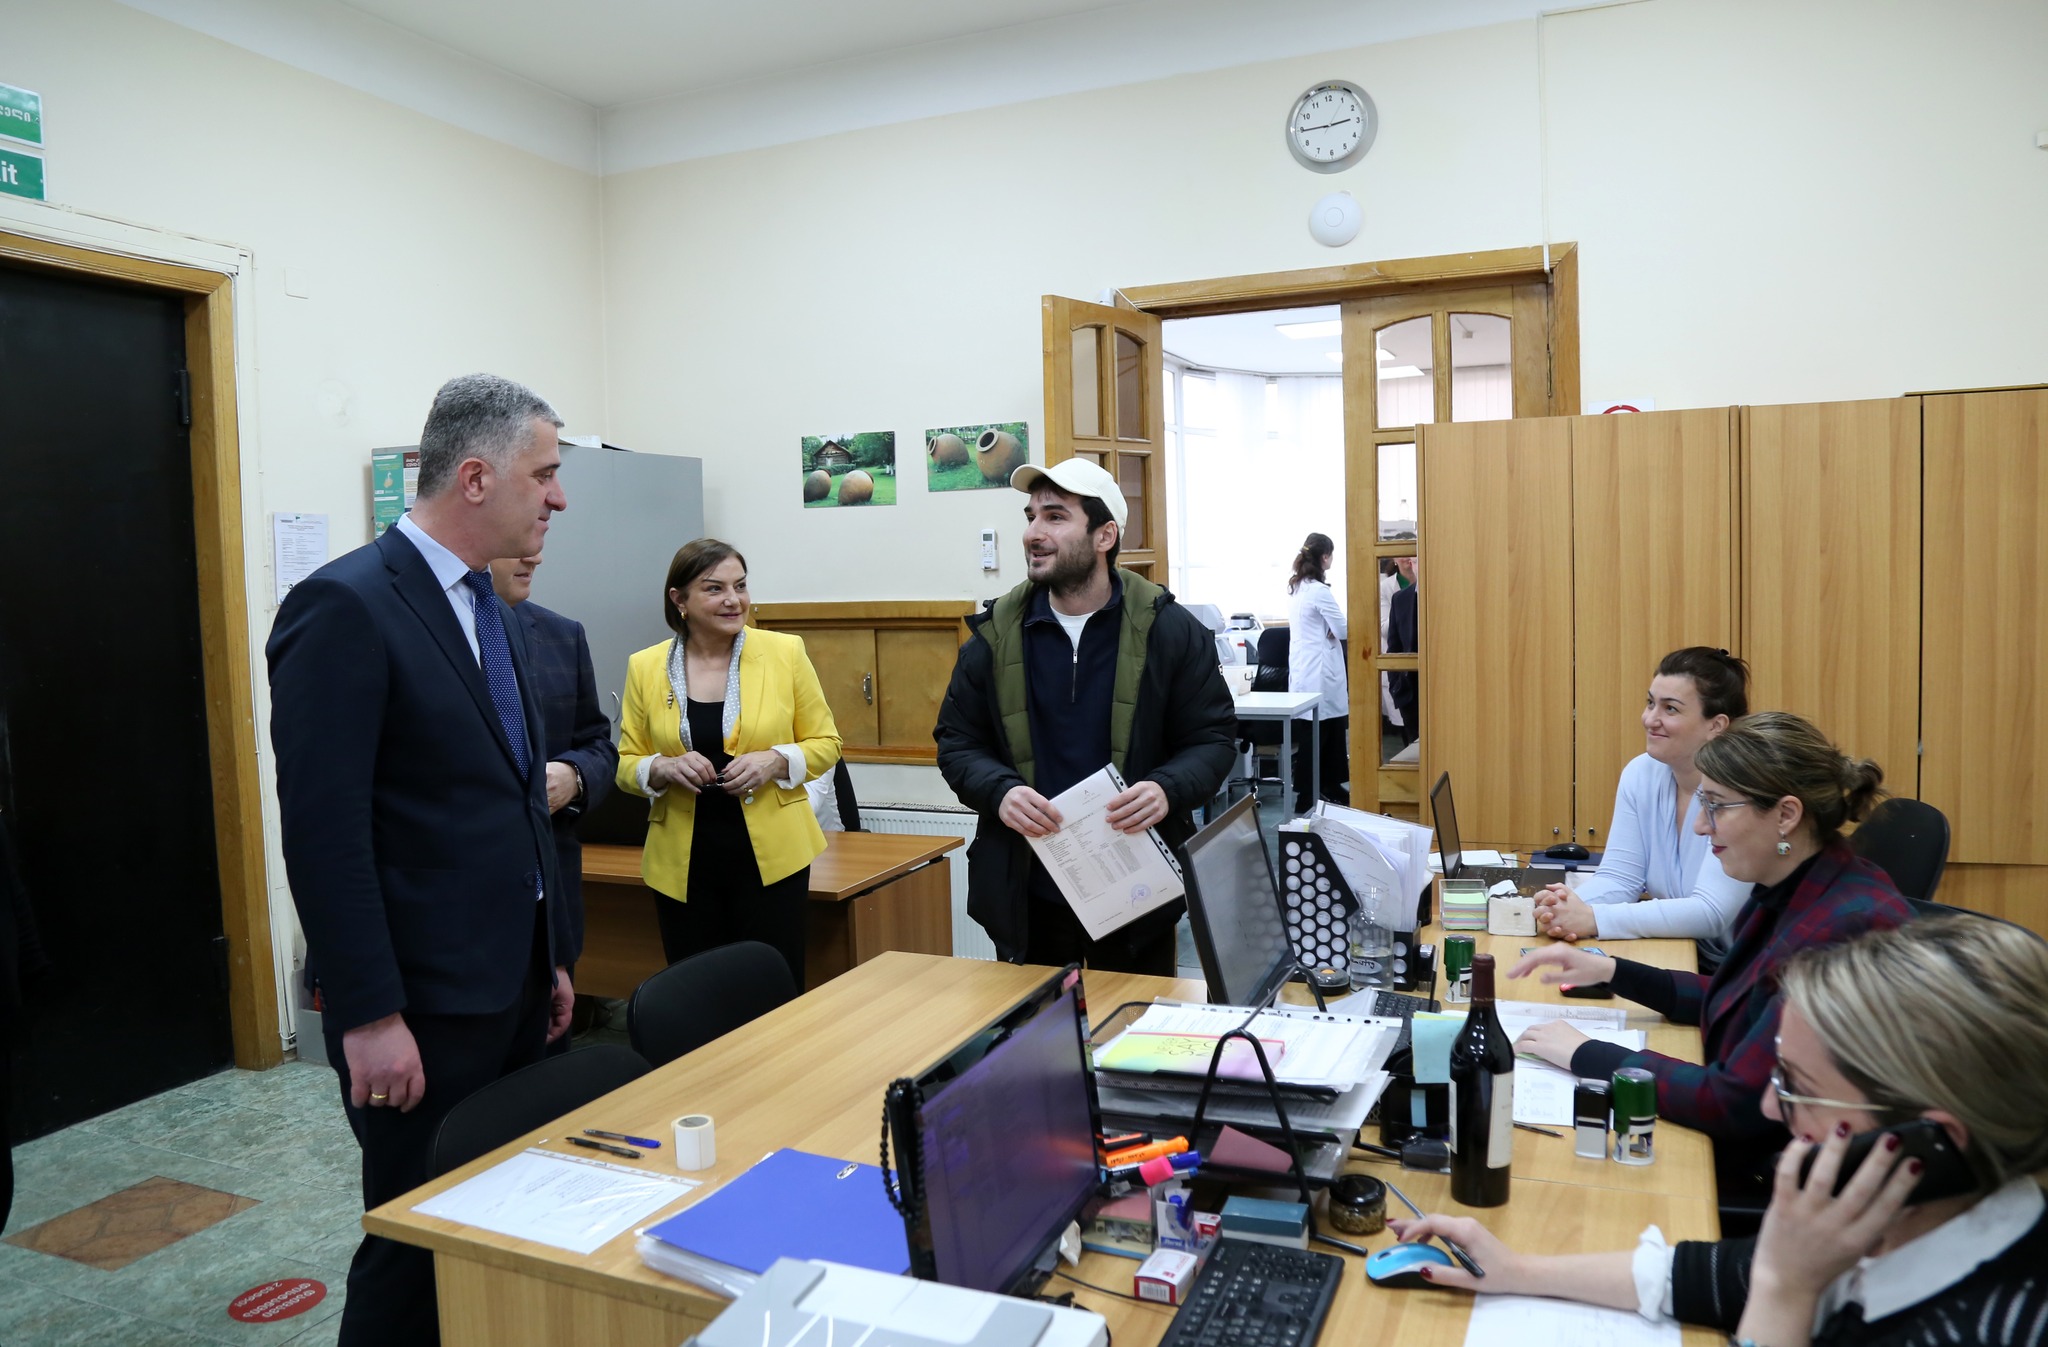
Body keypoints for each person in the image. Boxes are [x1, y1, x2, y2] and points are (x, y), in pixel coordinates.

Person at [267, 373, 576, 1347]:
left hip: (511, 985)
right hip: (418, 1005)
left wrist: (549, 956)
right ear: (476, 478)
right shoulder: (345, 604)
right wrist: (367, 1014)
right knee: (413, 1247)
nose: (559, 497)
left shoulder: (497, 610)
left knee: (500, 1230)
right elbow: (325, 832)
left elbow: (509, 800)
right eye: (544, 474)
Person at [1389, 916, 2048, 1347]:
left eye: (1795, 1087)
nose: (1770, 1109)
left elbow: (1764, 1281)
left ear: (1928, 1144)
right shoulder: (1898, 1226)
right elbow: (1715, 1274)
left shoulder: (1978, 1327)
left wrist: (1785, 1290)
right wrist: (1519, 1269)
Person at [1509, 711, 1911, 1203]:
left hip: (1778, 1186)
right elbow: (1745, 999)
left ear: (1786, 815)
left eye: (1716, 806)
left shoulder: (1844, 930)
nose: (1701, 826)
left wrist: (1585, 1053)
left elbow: (1733, 1102)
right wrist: (1613, 971)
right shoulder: (1799, 887)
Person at [934, 459, 1235, 974]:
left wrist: (1166, 788)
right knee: (1039, 1027)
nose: (1033, 533)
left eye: (1055, 517)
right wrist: (1000, 792)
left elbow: (1212, 739)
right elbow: (957, 742)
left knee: (1134, 1023)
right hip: (1028, 893)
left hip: (1136, 893)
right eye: (1031, 516)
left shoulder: (1169, 631)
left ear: (1104, 536)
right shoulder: (995, 634)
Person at [614, 539, 840, 985]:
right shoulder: (646, 666)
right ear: (679, 599)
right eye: (714, 588)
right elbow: (624, 763)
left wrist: (775, 761)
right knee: (697, 992)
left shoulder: (785, 653)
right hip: (684, 865)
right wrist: (661, 768)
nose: (734, 600)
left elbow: (826, 743)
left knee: (770, 990)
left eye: (740, 586)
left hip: (771, 862)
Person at [1534, 647, 1752, 945]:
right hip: (1680, 951)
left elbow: (1710, 912)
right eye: (1650, 703)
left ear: (1715, 725)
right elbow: (1620, 879)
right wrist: (1561, 907)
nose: (1650, 719)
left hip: (1738, 964)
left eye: (1670, 709)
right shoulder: (1642, 772)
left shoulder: (1742, 788)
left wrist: (1593, 918)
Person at [489, 550, 617, 1051]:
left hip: (550, 914)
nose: (535, 557)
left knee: (546, 1074)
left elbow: (598, 744)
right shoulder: (426, 635)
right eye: (515, 541)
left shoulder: (563, 635)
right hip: (464, 923)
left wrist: (575, 775)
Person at [1286, 531, 1348, 814]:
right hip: (1321, 674)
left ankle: (1325, 787)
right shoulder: (1320, 591)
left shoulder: (1297, 587)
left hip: (1305, 672)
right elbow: (1342, 630)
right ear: (1325, 557)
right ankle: (1313, 792)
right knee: (1322, 735)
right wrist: (1333, 631)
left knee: (1319, 734)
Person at [1385, 557, 1418, 745]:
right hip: (1410, 693)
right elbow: (1394, 647)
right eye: (1416, 560)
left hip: (1449, 691)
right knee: (1414, 751)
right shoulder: (1400, 599)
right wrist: (1396, 687)